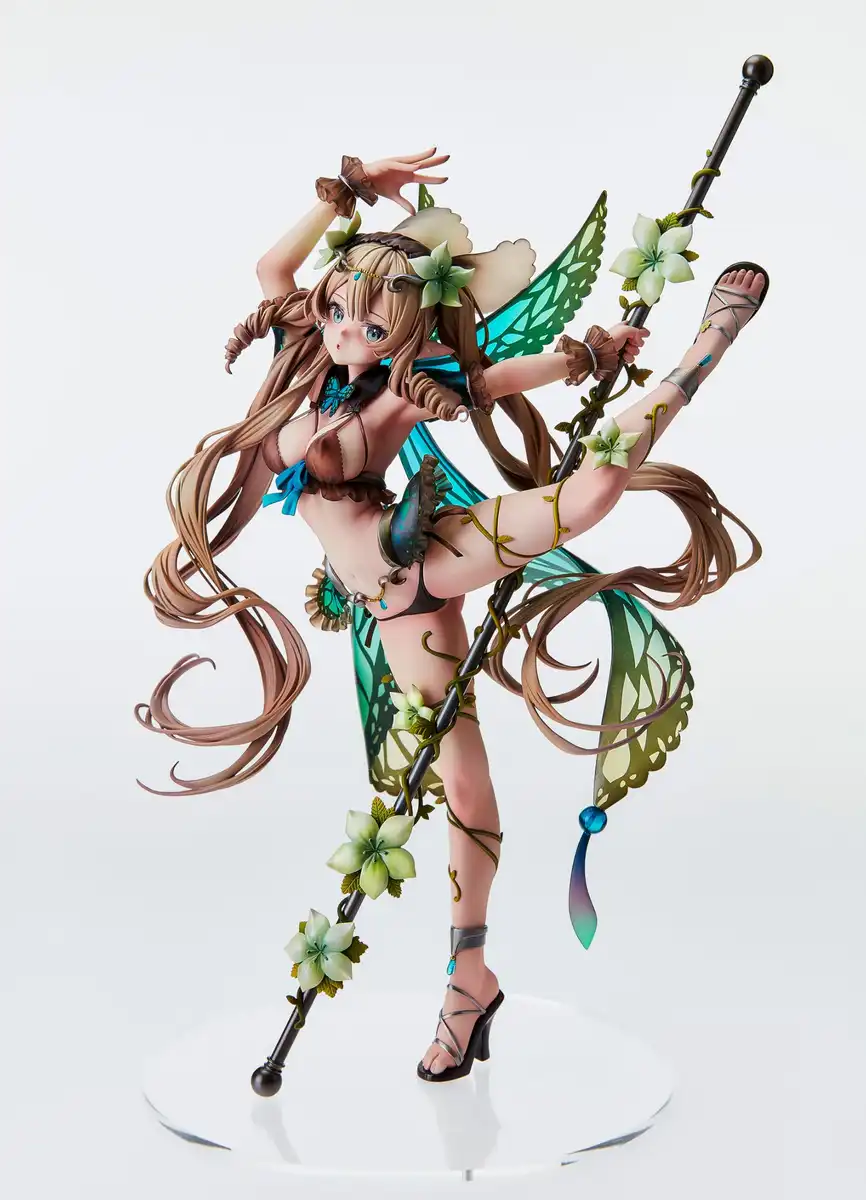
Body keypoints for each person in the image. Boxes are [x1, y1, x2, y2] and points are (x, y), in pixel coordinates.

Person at [138, 148, 766, 1081]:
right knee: (462, 791)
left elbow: (491, 382)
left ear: (404, 328)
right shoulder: (296, 358)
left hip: (432, 551)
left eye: (373, 321)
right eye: (340, 307)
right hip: (394, 614)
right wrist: (350, 192)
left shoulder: (399, 390)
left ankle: (700, 353)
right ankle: (470, 981)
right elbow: (273, 269)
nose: (348, 330)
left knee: (592, 494)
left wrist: (586, 359)